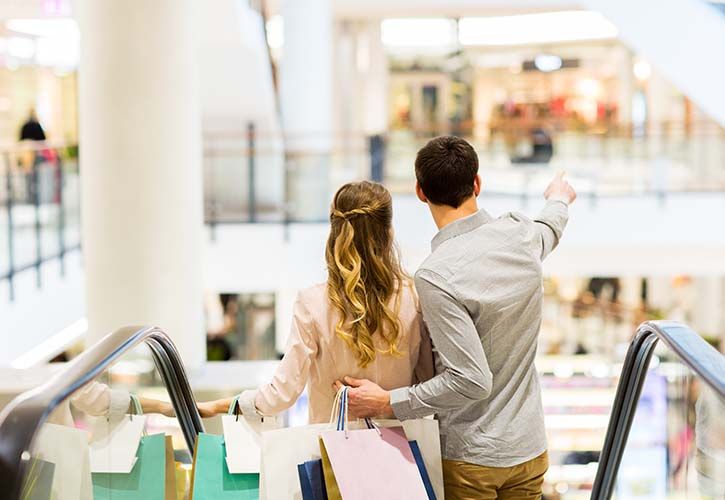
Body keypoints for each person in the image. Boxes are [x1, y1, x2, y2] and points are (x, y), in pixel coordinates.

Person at [336, 136, 576, 499]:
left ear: (420, 192)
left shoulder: (436, 275)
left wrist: (388, 402)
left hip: (471, 459)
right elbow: (551, 226)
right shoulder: (521, 234)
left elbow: (471, 380)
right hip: (529, 450)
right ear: (477, 183)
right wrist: (558, 196)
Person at [197, 181, 433, 423]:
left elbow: (280, 395)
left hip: (334, 455)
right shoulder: (415, 296)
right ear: (388, 232)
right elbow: (427, 384)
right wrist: (387, 400)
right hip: (404, 454)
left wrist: (219, 406)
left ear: (334, 233)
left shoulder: (313, 303)